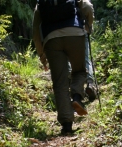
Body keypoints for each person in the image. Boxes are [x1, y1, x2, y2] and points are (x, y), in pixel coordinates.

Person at [33, 0, 94, 135]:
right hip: (75, 34)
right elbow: (88, 7)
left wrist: (42, 57)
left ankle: (67, 125)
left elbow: (36, 31)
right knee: (79, 71)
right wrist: (88, 27)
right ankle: (77, 97)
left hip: (51, 39)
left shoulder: (41, 3)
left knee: (60, 82)